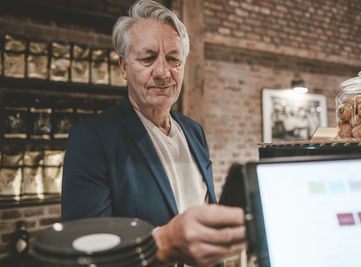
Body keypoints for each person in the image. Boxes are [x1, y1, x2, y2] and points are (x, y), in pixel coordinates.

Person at [61, 0, 246, 266]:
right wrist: (162, 243)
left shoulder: (194, 132)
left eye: (173, 59)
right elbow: (84, 249)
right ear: (124, 66)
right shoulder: (92, 139)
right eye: (147, 59)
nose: (162, 72)